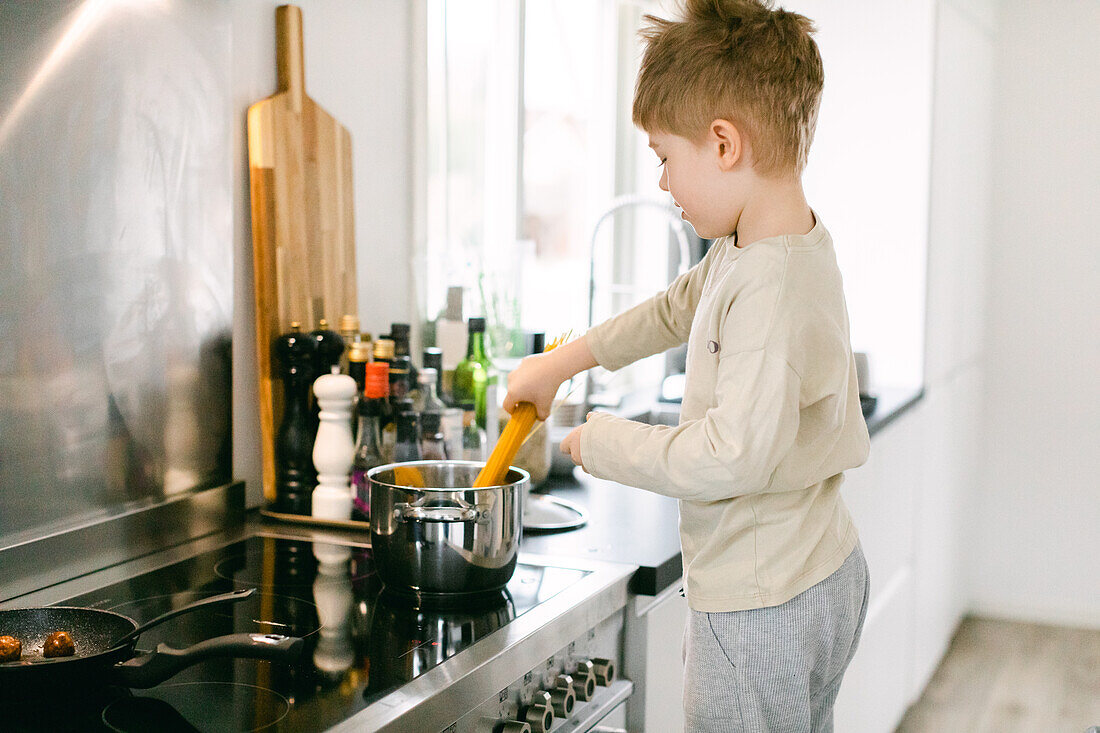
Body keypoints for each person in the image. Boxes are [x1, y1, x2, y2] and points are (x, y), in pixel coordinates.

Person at [503, 1, 872, 730]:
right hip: (820, 567)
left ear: (724, 143)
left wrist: (602, 442)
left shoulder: (766, 287)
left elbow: (729, 456)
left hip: (761, 600)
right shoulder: (769, 244)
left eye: (666, 157)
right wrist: (562, 362)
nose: (665, 183)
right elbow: (677, 308)